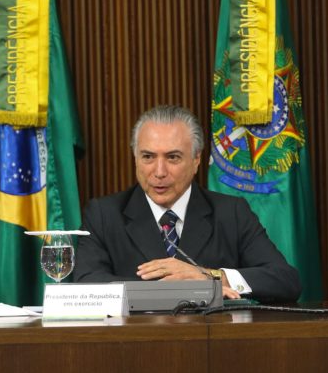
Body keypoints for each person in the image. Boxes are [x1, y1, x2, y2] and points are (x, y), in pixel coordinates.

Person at [73, 105, 301, 303]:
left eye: (173, 157)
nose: (159, 172)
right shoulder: (104, 215)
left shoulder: (231, 213)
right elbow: (87, 284)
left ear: (196, 160)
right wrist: (181, 290)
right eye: (148, 157)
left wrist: (211, 276)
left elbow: (285, 280)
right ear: (135, 158)